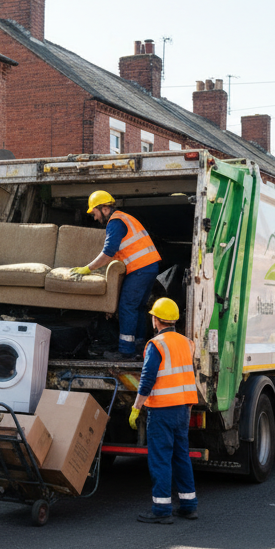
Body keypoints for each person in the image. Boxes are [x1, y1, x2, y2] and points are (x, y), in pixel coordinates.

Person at [129, 298, 199, 523]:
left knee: (160, 458)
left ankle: (161, 510)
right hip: (183, 408)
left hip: (162, 409)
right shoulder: (187, 342)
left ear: (156, 319)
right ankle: (189, 505)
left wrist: (136, 406)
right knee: (181, 456)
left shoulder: (156, 344)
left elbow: (147, 378)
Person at [73, 190, 161, 361]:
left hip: (140, 269)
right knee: (138, 308)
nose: (94, 217)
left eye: (95, 212)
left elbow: (108, 253)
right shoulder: (124, 218)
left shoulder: (115, 222)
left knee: (127, 307)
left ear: (104, 208)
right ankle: (139, 346)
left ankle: (126, 352)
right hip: (150, 267)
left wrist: (88, 268)